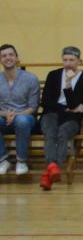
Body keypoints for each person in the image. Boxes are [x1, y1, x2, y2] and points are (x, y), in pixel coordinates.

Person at [39, 46, 83, 190]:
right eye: (65, 60)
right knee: (50, 133)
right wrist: (64, 108)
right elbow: (45, 102)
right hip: (51, 114)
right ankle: (53, 168)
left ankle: (50, 171)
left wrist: (69, 84)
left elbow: (74, 104)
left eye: (72, 60)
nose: (68, 63)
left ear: (79, 61)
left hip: (72, 118)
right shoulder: (53, 75)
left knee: (63, 133)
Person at [0, 44, 40, 176]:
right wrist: (6, 114)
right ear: (0, 60)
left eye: (11, 55)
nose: (8, 58)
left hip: (26, 119)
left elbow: (33, 107)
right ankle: (3, 160)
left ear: (17, 58)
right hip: (3, 118)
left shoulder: (31, 79)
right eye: (4, 56)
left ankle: (21, 161)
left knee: (21, 121)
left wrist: (15, 115)